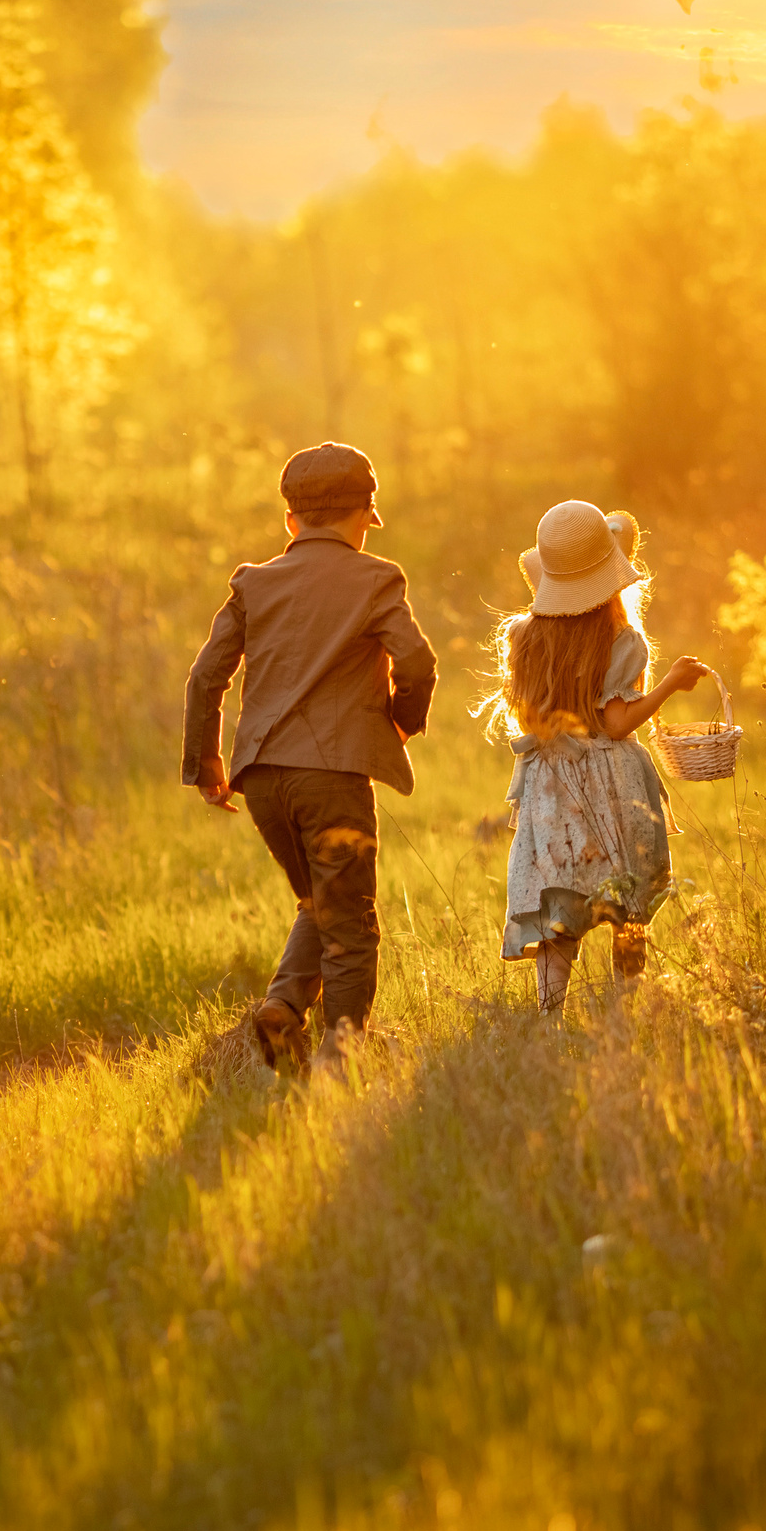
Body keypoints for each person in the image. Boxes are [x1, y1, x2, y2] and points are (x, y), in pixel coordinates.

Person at [182, 442, 438, 1075]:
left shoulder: (253, 582)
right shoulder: (378, 579)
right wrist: (400, 724)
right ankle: (340, 1060)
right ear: (364, 518)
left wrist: (207, 764)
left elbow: (205, 678)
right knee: (351, 924)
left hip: (262, 780)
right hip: (333, 779)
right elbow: (418, 663)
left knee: (321, 904)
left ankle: (283, 1007)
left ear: (291, 521)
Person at [483, 500, 710, 1014]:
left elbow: (532, 719)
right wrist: (671, 684)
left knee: (561, 901)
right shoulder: (621, 640)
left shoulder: (526, 637)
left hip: (551, 784)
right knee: (626, 900)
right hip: (610, 783)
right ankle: (624, 1010)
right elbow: (615, 723)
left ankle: (549, 1015)